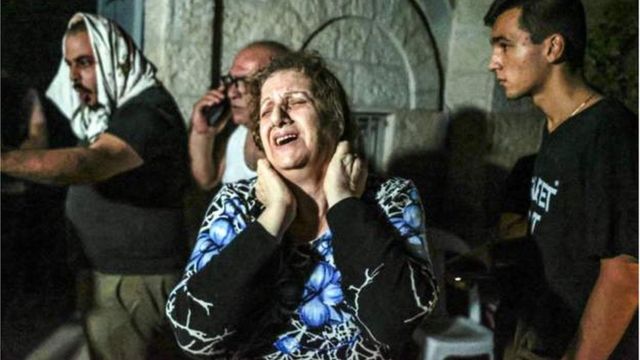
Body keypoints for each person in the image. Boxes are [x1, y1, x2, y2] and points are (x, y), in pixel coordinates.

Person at [166, 51, 438, 359]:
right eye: (267, 110)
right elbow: (193, 334)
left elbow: (395, 323)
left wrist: (344, 203)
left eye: (295, 102)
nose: (279, 117)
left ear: (334, 122)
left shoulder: (390, 198)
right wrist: (276, 214)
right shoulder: (237, 202)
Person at [1, 13, 189, 359]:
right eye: (70, 64)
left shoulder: (146, 113)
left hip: (133, 281)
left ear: (114, 59)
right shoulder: (108, 114)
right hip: (109, 277)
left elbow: (92, 163)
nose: (74, 77)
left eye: (85, 63)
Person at [485, 0, 638, 359]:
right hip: (541, 332)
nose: (493, 61)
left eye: (505, 45)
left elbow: (626, 276)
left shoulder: (609, 133)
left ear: (553, 47)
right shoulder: (557, 127)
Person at [189, 41, 290, 190]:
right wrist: (202, 133)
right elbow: (206, 180)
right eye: (231, 81)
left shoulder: (286, 141)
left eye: (244, 82)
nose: (231, 93)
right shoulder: (238, 135)